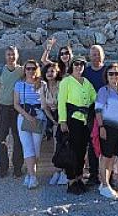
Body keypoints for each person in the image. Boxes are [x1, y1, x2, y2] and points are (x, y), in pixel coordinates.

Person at [59, 56, 97, 195]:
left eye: (81, 64)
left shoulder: (86, 82)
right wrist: (62, 121)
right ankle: (71, 180)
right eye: (76, 64)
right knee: (72, 150)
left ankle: (79, 178)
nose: (78, 66)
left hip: (84, 121)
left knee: (82, 151)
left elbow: (94, 98)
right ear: (72, 65)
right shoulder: (66, 81)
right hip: (72, 119)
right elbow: (61, 101)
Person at [13, 60, 48, 189]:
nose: (31, 71)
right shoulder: (19, 84)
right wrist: (27, 116)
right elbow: (16, 103)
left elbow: (45, 103)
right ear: (25, 70)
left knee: (36, 149)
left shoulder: (42, 84)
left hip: (39, 116)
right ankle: (33, 177)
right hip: (24, 116)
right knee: (27, 147)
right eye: (28, 68)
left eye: (33, 68)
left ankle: (30, 173)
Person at [95, 63, 118, 199]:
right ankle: (104, 184)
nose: (114, 76)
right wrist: (101, 127)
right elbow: (98, 110)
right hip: (107, 127)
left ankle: (105, 183)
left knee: (113, 157)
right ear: (107, 76)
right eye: (111, 73)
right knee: (105, 157)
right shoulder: (103, 91)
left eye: (117, 73)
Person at [0, 46, 25, 178]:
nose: (11, 57)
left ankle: (17, 168)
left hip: (18, 109)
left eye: (13, 54)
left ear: (17, 55)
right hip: (3, 109)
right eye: (8, 54)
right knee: (2, 139)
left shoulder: (22, 71)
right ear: (5, 56)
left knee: (18, 139)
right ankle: (3, 168)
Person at [82, 45, 107, 186]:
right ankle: (93, 174)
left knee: (106, 142)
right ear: (89, 57)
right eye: (93, 54)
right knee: (93, 142)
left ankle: (107, 175)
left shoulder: (107, 71)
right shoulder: (86, 72)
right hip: (91, 110)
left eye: (98, 54)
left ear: (103, 55)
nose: (96, 57)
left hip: (106, 109)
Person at [41, 62, 68, 185]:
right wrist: (53, 121)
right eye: (47, 71)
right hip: (52, 117)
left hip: (63, 115)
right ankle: (57, 170)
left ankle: (64, 172)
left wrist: (61, 120)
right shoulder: (44, 87)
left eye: (52, 71)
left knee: (63, 144)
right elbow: (44, 106)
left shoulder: (61, 85)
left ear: (57, 73)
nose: (50, 74)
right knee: (56, 145)